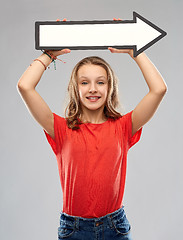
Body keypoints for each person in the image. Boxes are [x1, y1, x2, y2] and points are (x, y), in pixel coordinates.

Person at [17, 43, 167, 239]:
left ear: (110, 87)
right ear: (75, 88)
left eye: (101, 82)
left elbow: (159, 89)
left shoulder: (123, 127)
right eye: (84, 82)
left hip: (116, 228)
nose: (93, 89)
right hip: (74, 230)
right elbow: (25, 86)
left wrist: (134, 52)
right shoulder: (61, 128)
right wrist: (49, 55)